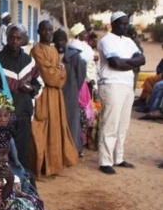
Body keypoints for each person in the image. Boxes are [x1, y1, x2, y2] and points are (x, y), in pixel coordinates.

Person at [0, 25, 42, 174]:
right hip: (2, 119)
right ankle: (7, 184)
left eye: (19, 38)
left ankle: (24, 183)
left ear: (24, 40)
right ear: (6, 38)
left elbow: (38, 84)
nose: (15, 41)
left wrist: (31, 89)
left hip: (24, 115)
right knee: (3, 154)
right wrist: (3, 107)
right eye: (12, 37)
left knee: (23, 154)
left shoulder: (29, 62)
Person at [97, 12, 145, 174]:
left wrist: (125, 62)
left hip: (127, 85)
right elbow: (115, 63)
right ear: (113, 24)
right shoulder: (106, 40)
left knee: (123, 125)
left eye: (126, 23)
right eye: (122, 24)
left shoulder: (129, 41)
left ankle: (118, 157)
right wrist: (131, 63)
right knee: (110, 123)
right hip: (111, 84)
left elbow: (142, 59)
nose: (125, 26)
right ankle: (105, 161)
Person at [30, 21, 79, 177]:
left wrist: (58, 71)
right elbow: (49, 76)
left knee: (56, 129)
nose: (47, 33)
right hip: (43, 94)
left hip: (56, 96)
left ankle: (54, 164)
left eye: (50, 30)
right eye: (44, 30)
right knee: (41, 129)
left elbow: (62, 76)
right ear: (38, 31)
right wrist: (58, 71)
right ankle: (42, 165)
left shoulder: (53, 50)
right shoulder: (36, 50)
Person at [55, 29, 87, 155]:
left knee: (71, 121)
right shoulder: (51, 54)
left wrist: (74, 88)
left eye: (62, 40)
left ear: (66, 41)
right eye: (57, 40)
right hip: (55, 93)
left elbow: (81, 75)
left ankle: (73, 149)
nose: (60, 43)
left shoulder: (74, 56)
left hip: (70, 92)